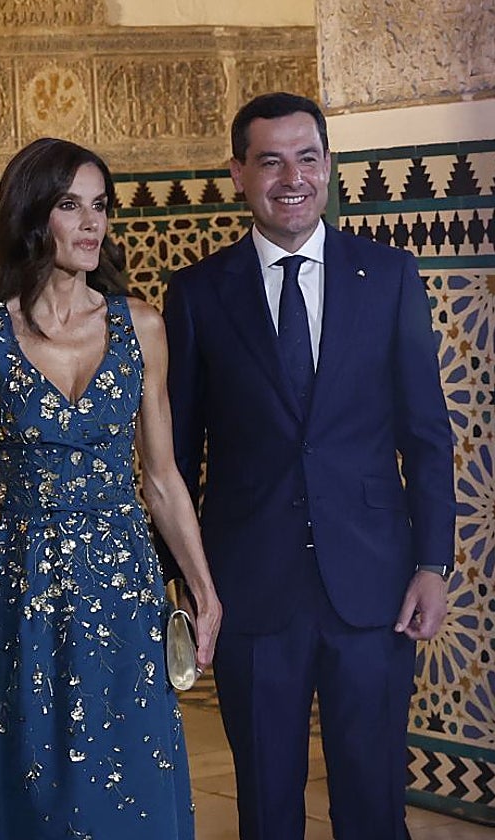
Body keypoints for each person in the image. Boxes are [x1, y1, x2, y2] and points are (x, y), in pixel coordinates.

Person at [163, 92, 455, 840]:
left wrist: (432, 563)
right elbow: (172, 456)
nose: (291, 178)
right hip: (249, 590)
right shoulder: (196, 294)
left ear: (329, 166)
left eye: (307, 158)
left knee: (372, 802)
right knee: (265, 805)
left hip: (374, 587)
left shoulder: (389, 276)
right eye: (270, 161)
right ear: (237, 173)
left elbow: (426, 433)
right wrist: (186, 582)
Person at [0, 137, 223, 839]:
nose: (93, 223)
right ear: (33, 216)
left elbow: (161, 478)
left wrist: (203, 587)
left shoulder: (141, 326)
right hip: (21, 582)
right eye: (71, 205)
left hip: (124, 584)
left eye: (100, 206)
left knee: (131, 772)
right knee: (33, 779)